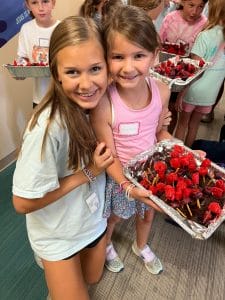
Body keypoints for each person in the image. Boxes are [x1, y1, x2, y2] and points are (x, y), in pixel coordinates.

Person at [12, 16, 114, 300]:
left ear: (107, 66)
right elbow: (21, 203)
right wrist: (88, 173)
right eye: (72, 72)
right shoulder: (47, 128)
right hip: (59, 233)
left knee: (92, 277)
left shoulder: (99, 107)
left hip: (91, 220)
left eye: (95, 69)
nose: (86, 84)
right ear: (56, 73)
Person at [90, 5, 172, 275]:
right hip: (119, 178)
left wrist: (180, 149)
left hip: (149, 175)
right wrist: (126, 185)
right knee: (113, 217)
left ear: (155, 55)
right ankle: (109, 244)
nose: (128, 67)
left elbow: (159, 133)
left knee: (147, 214)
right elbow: (108, 155)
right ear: (106, 57)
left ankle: (141, 245)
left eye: (139, 55)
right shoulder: (104, 103)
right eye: (117, 56)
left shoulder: (162, 90)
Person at [174, 0, 225, 147]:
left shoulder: (205, 35)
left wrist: (182, 92)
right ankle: (189, 154)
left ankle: (176, 155)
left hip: (193, 91)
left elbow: (194, 70)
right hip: (210, 95)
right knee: (194, 126)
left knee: (182, 123)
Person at [159, 0, 208, 134]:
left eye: (200, 7)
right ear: (183, 2)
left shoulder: (204, 24)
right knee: (160, 108)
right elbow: (159, 43)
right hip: (163, 73)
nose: (194, 12)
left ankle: (167, 136)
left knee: (173, 110)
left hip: (183, 78)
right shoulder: (171, 18)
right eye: (191, 5)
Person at [16, 0, 60, 108]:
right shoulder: (26, 29)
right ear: (28, 5)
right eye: (34, 2)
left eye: (45, 1)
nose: (40, 7)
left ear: (53, 3)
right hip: (39, 98)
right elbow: (22, 59)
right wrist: (20, 72)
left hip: (62, 97)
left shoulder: (62, 28)